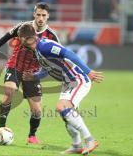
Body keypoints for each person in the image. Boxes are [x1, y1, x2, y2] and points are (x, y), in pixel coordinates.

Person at [19, 23, 104, 155]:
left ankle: (90, 140)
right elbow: (47, 69)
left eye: (20, 38)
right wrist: (34, 76)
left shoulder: (45, 46)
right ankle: (76, 145)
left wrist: (88, 71)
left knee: (62, 107)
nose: (20, 41)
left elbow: (70, 54)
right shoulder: (37, 50)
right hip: (68, 82)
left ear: (25, 38)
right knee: (66, 114)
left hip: (78, 79)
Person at [0, 2, 60, 144]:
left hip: (32, 72)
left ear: (48, 16)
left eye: (43, 15)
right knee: (10, 90)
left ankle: (32, 136)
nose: (40, 18)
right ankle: (1, 127)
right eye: (38, 14)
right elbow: (7, 36)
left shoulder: (51, 36)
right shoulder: (23, 27)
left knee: (37, 111)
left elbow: (56, 58)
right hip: (15, 65)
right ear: (34, 14)